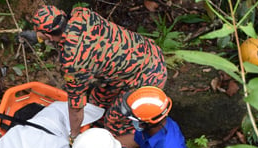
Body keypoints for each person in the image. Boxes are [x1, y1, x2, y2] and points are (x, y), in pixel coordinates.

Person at [29, 5, 167, 139]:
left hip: (148, 75)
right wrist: (39, 37)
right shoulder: (82, 14)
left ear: (48, 35)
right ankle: (97, 129)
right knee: (96, 102)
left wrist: (74, 136)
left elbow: (76, 108)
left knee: (114, 122)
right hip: (141, 54)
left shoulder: (73, 61)